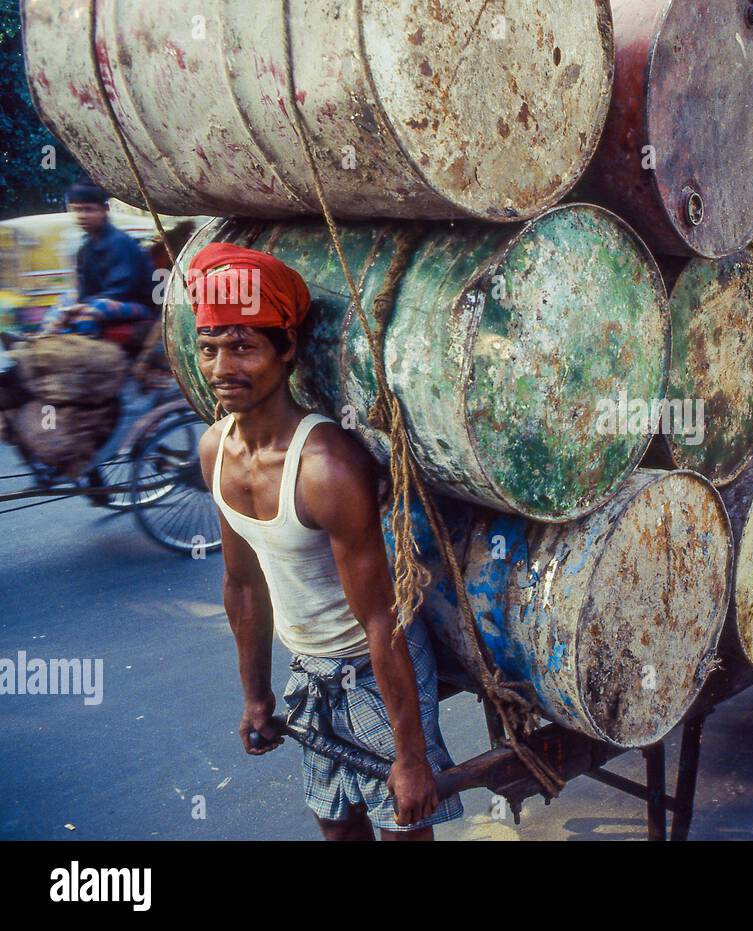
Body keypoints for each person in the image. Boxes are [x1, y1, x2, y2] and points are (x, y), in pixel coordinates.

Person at [193, 243, 462, 840]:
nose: (221, 369)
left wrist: (412, 758)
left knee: (403, 827)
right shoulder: (215, 450)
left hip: (374, 667)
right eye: (209, 348)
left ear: (286, 350)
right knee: (336, 828)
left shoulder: (325, 467)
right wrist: (256, 695)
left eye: (243, 347)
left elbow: (382, 619)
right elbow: (243, 585)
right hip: (310, 669)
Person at [41, 178, 156, 338]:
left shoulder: (120, 242)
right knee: (63, 302)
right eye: (77, 210)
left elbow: (122, 291)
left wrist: (82, 306)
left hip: (137, 305)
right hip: (98, 301)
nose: (82, 215)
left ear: (104, 210)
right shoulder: (85, 249)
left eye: (88, 209)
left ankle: (88, 351)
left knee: (92, 311)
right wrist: (73, 306)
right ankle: (44, 340)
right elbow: (83, 290)